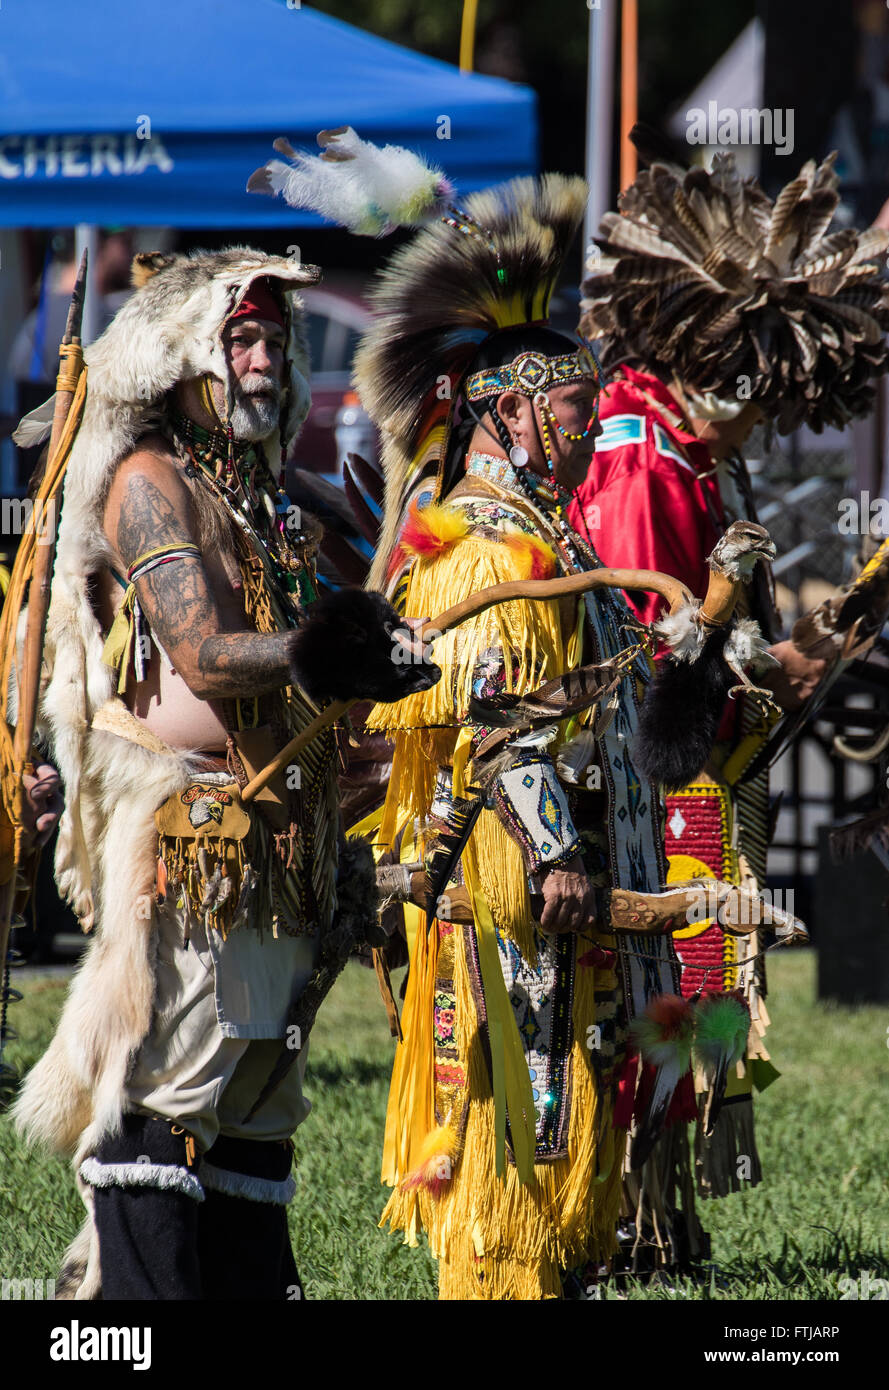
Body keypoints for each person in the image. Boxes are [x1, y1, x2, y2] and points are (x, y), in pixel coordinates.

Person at [10, 247, 434, 1300]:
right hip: (192, 837)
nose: (261, 357)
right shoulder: (152, 486)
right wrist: (323, 652)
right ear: (184, 357)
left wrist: (368, 691)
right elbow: (200, 655)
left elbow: (302, 659)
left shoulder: (269, 501)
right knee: (165, 1090)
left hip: (276, 839)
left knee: (255, 1101)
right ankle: (127, 1308)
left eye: (274, 339)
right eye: (239, 337)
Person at [345, 175, 734, 1297]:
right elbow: (492, 719)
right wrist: (555, 849)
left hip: (579, 885)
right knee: (512, 1125)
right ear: (508, 412)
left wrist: (713, 634)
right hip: (518, 884)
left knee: (571, 1114)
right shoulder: (479, 548)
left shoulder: (556, 542)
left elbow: (608, 701)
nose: (589, 428)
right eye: (573, 412)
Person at [570, 151, 889, 1197]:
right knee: (645, 984)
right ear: (717, 365)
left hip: (683, 761)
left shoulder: (684, 443)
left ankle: (656, 1213)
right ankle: (621, 1209)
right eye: (758, 397)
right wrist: (766, 666)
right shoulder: (641, 457)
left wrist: (794, 647)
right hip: (637, 775)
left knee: (677, 984)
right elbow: (640, 648)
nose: (762, 420)